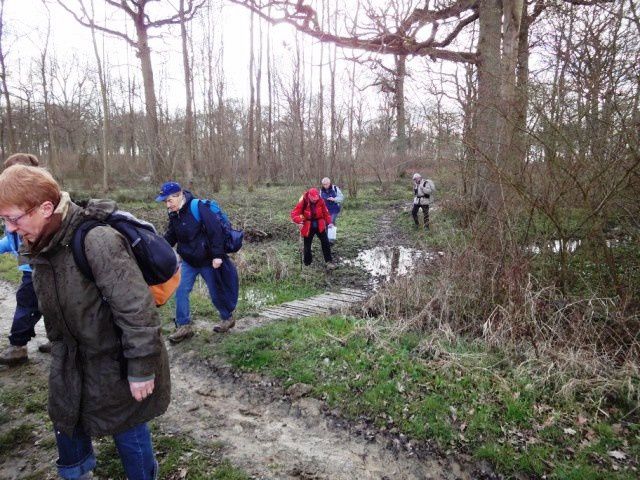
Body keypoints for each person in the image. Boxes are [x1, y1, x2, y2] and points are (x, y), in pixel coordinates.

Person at [0, 165, 170, 480]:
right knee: (66, 420)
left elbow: (138, 310)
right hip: (69, 361)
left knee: (128, 430)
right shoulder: (40, 245)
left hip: (115, 363)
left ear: (46, 208)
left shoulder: (97, 240)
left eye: (13, 218)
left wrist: (142, 368)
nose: (9, 229)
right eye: (4, 220)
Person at [156, 181, 238, 342]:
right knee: (180, 291)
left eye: (169, 200)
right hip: (188, 261)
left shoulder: (198, 207)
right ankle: (183, 326)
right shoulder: (174, 214)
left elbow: (215, 232)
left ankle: (227, 318)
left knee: (216, 293)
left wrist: (218, 256)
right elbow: (171, 236)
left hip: (208, 260)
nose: (167, 204)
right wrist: (157, 249)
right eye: (165, 201)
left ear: (179, 195)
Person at [0, 153, 47, 366]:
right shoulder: (15, 203)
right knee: (50, 305)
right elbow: (11, 238)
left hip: (39, 268)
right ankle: (60, 341)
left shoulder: (35, 205)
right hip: (31, 268)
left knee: (27, 305)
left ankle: (18, 346)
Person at [291, 188, 336, 269]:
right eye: (313, 199)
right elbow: (294, 214)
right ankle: (307, 263)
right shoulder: (303, 201)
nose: (315, 200)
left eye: (316, 199)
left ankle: (328, 261)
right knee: (307, 245)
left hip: (320, 225)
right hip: (307, 226)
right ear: (309, 196)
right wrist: (299, 221)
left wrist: (329, 222)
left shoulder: (321, 200)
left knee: (326, 243)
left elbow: (326, 213)